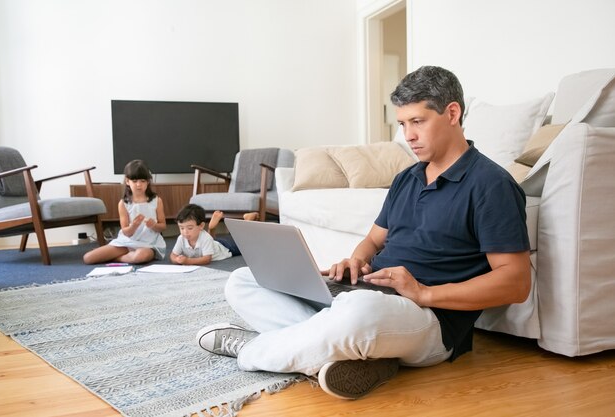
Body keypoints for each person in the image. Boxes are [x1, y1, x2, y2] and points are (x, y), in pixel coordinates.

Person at [195, 66, 532, 400]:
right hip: (367, 293)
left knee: (358, 314)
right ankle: (361, 354)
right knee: (244, 280)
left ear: (452, 113)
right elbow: (373, 240)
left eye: (418, 121)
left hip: (429, 319)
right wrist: (355, 261)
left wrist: (423, 293)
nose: (408, 135)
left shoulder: (491, 185)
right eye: (402, 124)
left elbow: (515, 283)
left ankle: (251, 350)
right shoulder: (406, 179)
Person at [83, 160, 166, 264]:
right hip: (127, 243)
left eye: (143, 181)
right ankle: (125, 255)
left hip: (149, 244)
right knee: (88, 258)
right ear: (127, 181)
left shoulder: (156, 200)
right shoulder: (123, 203)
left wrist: (154, 225)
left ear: (148, 181)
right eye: (135, 181)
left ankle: (117, 258)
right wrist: (134, 226)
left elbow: (163, 226)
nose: (139, 185)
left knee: (140, 257)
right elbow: (126, 232)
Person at [170, 205, 255, 265]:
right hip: (213, 242)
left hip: (225, 247)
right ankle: (211, 230)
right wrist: (176, 260)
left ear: (201, 226)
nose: (185, 232)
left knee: (244, 244)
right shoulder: (181, 238)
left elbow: (207, 259)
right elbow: (173, 255)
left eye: (189, 228)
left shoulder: (205, 238)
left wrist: (188, 261)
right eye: (181, 228)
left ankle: (248, 221)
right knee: (212, 239)